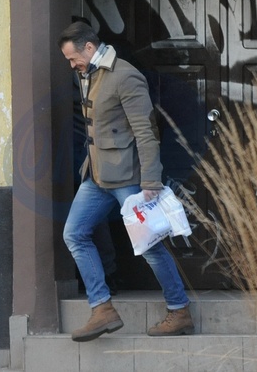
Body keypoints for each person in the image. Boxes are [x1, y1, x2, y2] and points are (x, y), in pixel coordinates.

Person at [57, 21, 194, 342]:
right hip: (97, 176)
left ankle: (179, 310)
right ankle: (102, 308)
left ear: (89, 47)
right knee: (74, 234)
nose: (71, 64)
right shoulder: (88, 73)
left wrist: (151, 180)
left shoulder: (125, 76)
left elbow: (146, 131)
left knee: (149, 245)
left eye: (73, 58)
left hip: (129, 178)